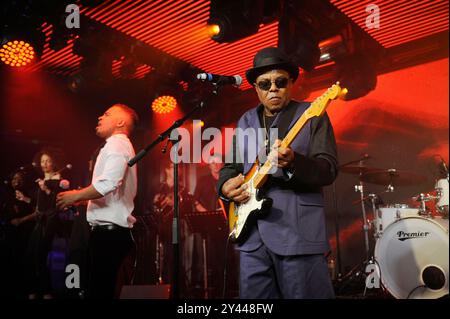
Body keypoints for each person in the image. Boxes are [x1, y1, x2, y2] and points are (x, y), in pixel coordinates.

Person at [217, 47, 338, 299]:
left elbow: (328, 170)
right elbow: (230, 167)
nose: (273, 88)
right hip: (251, 239)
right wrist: (225, 186)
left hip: (297, 235)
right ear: (255, 88)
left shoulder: (311, 115)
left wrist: (293, 162)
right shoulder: (246, 120)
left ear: (292, 83)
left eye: (280, 82)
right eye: (265, 84)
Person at [56, 103, 138, 299]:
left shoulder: (117, 144)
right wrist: (84, 199)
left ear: (120, 122)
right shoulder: (116, 145)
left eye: (107, 114)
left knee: (100, 292)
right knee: (101, 289)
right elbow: (113, 191)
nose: (100, 117)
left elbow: (109, 183)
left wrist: (74, 195)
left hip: (109, 234)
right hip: (108, 233)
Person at [26, 146, 68, 299]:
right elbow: (40, 204)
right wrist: (26, 199)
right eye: (42, 161)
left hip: (50, 221)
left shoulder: (59, 180)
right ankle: (36, 289)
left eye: (48, 161)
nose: (44, 164)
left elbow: (56, 203)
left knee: (41, 255)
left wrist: (46, 190)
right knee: (32, 255)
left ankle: (46, 290)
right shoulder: (42, 181)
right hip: (40, 221)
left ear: (54, 163)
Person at [0, 169, 36, 298]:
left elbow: (38, 212)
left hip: (26, 232)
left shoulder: (30, 193)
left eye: (19, 179)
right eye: (14, 179)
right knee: (10, 260)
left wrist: (21, 220)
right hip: (10, 233)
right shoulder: (7, 194)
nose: (16, 181)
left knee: (24, 261)